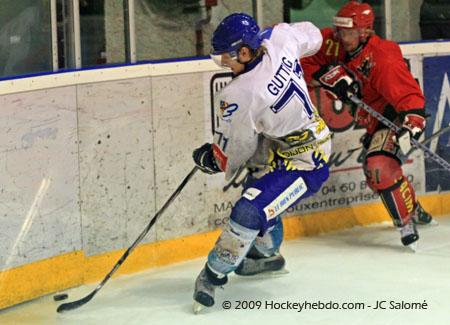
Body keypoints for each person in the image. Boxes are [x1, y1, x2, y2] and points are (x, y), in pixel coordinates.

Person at [191, 13, 331, 312]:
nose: (223, 64)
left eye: (225, 58)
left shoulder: (240, 93)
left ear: (243, 51)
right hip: (300, 143)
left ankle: (213, 273)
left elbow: (237, 150)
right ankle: (266, 255)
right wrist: (275, 34)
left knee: (249, 209)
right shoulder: (279, 40)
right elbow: (313, 34)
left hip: (306, 164)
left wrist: (213, 158)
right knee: (261, 190)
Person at [300, 1, 435, 251]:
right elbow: (299, 64)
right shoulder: (333, 43)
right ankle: (414, 209)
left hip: (390, 117)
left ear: (365, 32)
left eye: (349, 33)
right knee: (376, 178)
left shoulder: (381, 57)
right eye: (340, 31)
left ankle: (405, 224)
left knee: (379, 168)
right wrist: (324, 74)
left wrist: (413, 120)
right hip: (370, 120)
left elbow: (408, 95)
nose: (343, 37)